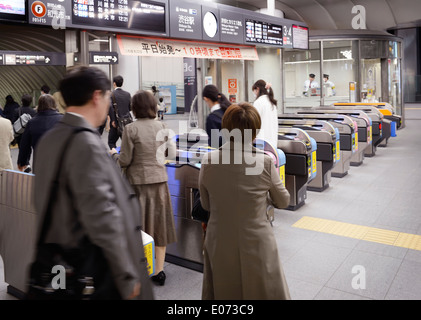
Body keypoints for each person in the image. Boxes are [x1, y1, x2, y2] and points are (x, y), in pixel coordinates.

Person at [32, 66, 153, 300]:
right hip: (97, 272)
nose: (109, 104)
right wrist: (127, 277)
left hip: (61, 261)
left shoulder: (51, 139)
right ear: (97, 96)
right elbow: (102, 217)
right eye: (108, 97)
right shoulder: (86, 143)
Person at [199, 102, 291, 300]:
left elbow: (206, 205)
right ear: (255, 131)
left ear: (225, 129)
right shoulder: (264, 162)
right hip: (257, 241)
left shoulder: (208, 161)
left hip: (219, 240)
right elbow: (283, 201)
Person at [110, 90, 177, 287]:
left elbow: (125, 161)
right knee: (159, 226)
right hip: (160, 183)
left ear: (134, 108)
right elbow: (171, 154)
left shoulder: (131, 129)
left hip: (137, 185)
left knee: (137, 227)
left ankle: (140, 270)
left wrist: (114, 154)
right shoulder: (163, 126)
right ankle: (159, 271)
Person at [17, 94, 63, 173]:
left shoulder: (32, 122)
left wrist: (22, 162)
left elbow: (25, 145)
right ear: (54, 104)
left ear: (39, 105)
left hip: (40, 165)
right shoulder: (63, 120)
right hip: (60, 164)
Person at [251, 79, 279, 149]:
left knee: (261, 159)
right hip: (272, 141)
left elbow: (254, 122)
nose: (254, 93)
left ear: (257, 89)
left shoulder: (258, 102)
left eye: (254, 91)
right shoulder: (272, 102)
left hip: (261, 141)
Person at [203, 84, 231, 148]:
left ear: (206, 99)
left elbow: (215, 143)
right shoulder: (229, 110)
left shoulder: (212, 118)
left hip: (222, 155)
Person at [108, 75, 131, 149]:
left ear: (114, 83)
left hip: (116, 123)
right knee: (127, 142)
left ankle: (115, 157)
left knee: (111, 142)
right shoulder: (127, 94)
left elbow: (110, 108)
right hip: (127, 122)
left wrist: (113, 120)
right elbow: (130, 108)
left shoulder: (111, 94)